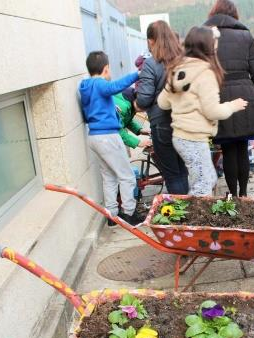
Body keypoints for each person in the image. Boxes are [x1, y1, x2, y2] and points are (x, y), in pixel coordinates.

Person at [158, 26, 247, 196]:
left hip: (181, 137)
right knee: (204, 184)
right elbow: (212, 111)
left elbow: (163, 103)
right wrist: (232, 106)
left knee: (206, 180)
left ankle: (194, 216)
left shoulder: (177, 69)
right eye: (215, 42)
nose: (217, 46)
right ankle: (193, 220)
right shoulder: (205, 73)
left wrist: (181, 101)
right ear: (208, 46)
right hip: (193, 137)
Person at [205, 0, 254, 197]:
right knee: (242, 148)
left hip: (218, 96)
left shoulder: (204, 35)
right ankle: (245, 194)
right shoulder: (245, 35)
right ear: (234, 15)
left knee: (228, 149)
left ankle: (233, 194)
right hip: (245, 96)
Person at [79, 51, 142, 225]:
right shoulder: (99, 84)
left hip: (94, 136)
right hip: (107, 136)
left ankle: (112, 215)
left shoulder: (85, 86)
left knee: (109, 177)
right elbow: (113, 87)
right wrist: (137, 74)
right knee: (127, 176)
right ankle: (129, 214)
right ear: (106, 68)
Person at [136, 20, 189, 195]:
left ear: (151, 41)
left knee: (172, 175)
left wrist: (136, 103)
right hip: (185, 123)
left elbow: (143, 100)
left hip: (162, 125)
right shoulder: (184, 60)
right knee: (182, 171)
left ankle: (180, 217)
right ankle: (187, 211)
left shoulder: (151, 64)